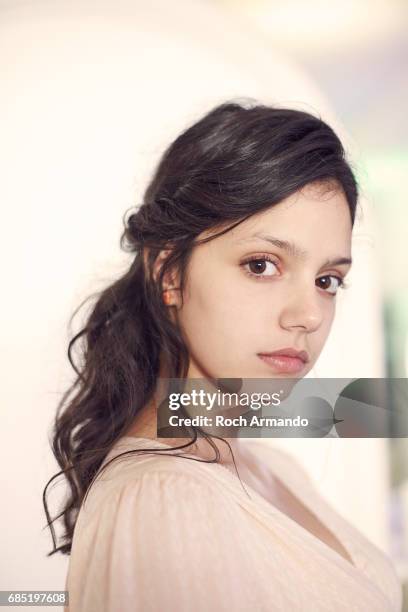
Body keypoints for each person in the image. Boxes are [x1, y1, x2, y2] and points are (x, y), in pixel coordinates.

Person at [43, 100, 402, 611]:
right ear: (170, 273)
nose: (309, 314)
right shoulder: (161, 501)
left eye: (327, 280)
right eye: (262, 265)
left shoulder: (267, 465)